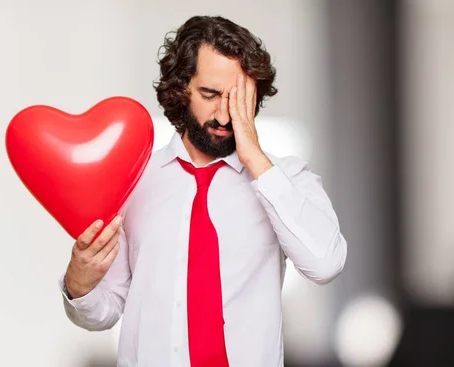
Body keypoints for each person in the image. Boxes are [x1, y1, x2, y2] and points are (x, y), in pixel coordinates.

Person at [59, 15, 347, 367]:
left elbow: (325, 263)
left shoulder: (285, 178)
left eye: (238, 98)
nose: (225, 116)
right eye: (210, 95)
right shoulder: (134, 180)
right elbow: (104, 312)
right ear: (181, 90)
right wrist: (79, 285)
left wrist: (254, 157)